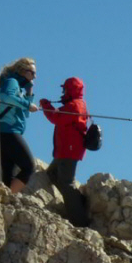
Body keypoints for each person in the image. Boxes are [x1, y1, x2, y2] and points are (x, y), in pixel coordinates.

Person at [40, 77, 90, 227]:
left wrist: (45, 105)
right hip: (66, 150)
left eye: (65, 89)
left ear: (71, 90)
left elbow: (56, 118)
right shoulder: (75, 104)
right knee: (52, 174)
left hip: (69, 150)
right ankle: (76, 201)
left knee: (66, 183)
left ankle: (79, 220)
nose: (63, 92)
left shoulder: (74, 105)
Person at [0, 57, 39, 193]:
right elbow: (7, 98)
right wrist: (28, 104)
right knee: (29, 166)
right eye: (32, 72)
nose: (35, 76)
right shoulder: (12, 82)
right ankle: (8, 196)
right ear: (23, 71)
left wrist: (29, 95)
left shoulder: (16, 86)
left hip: (3, 132)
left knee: (8, 171)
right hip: (8, 131)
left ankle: (5, 196)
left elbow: (26, 114)